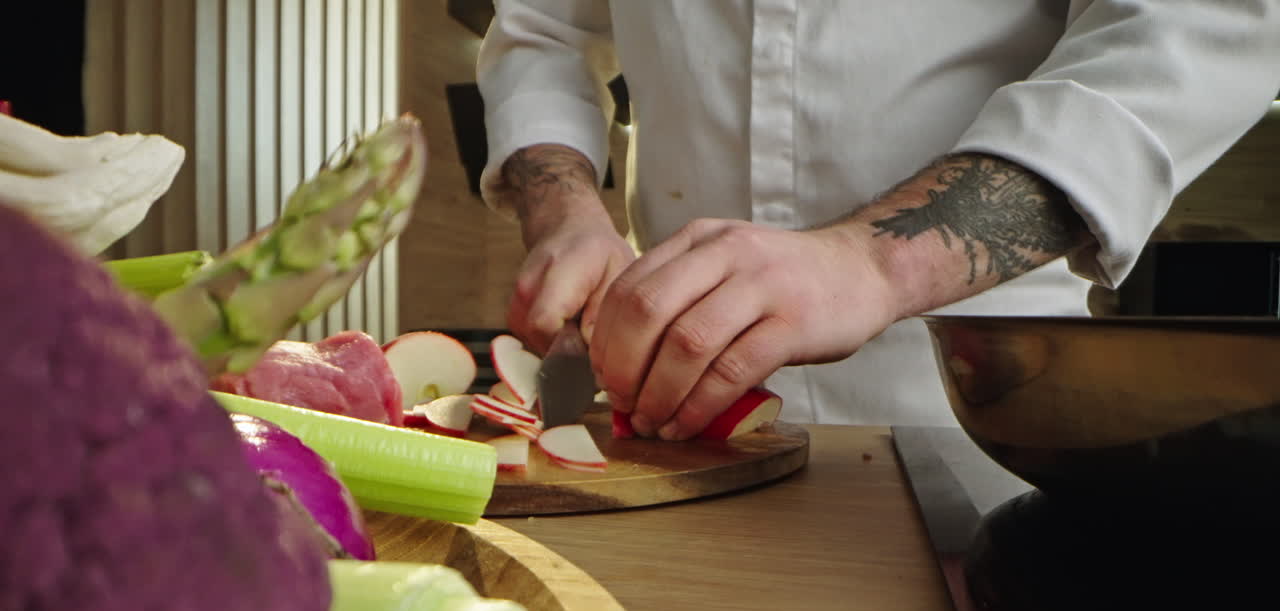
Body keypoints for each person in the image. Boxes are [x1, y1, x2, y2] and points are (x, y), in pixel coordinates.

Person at [474, 2, 1280, 439]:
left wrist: (875, 263)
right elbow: (543, 28)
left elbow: (1191, 25)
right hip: (661, 413)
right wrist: (565, 211)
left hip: (969, 411)